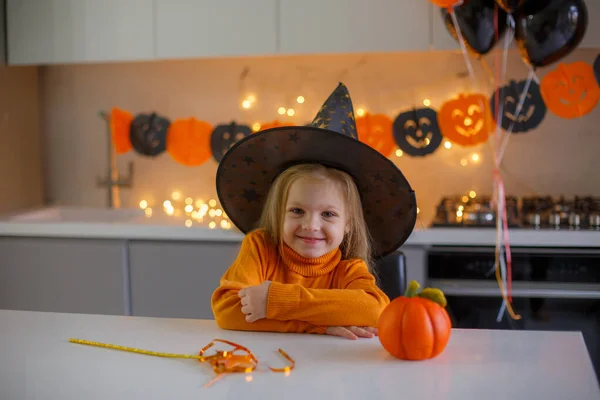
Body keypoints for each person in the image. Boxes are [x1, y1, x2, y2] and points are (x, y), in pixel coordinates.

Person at [211, 83, 417, 340]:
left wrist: (275, 301)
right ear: (280, 212)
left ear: (349, 223)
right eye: (297, 210)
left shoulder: (348, 270)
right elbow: (227, 311)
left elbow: (374, 310)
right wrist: (319, 326)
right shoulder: (260, 247)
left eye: (328, 214)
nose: (310, 225)